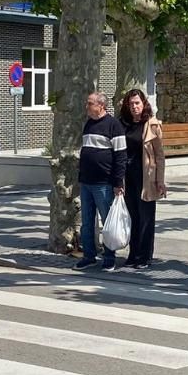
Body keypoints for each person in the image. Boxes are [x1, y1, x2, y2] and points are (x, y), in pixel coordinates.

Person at [76, 91, 127, 271]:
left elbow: (121, 156)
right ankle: (89, 256)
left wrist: (118, 183)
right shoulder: (89, 124)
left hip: (104, 183)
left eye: (90, 103)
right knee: (87, 223)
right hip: (86, 182)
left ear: (101, 105)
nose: (87, 106)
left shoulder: (114, 125)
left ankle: (109, 257)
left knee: (108, 222)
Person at [117, 88, 167, 269]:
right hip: (127, 176)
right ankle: (133, 254)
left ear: (143, 103)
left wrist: (160, 180)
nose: (134, 107)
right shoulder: (122, 124)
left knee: (146, 217)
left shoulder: (151, 124)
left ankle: (145, 256)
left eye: (137, 103)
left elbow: (160, 155)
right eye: (131, 104)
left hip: (146, 177)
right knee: (132, 216)